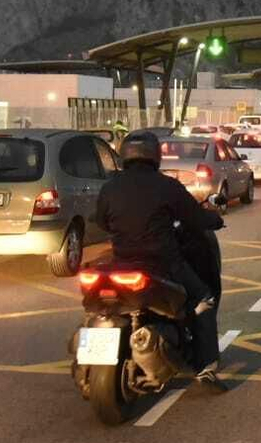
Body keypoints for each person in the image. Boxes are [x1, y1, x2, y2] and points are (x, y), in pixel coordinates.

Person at [94, 130, 228, 391]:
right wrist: (215, 219)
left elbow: (100, 221)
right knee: (204, 299)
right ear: (154, 156)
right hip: (163, 264)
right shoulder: (167, 186)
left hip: (121, 263)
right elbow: (197, 219)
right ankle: (205, 367)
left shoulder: (110, 187)